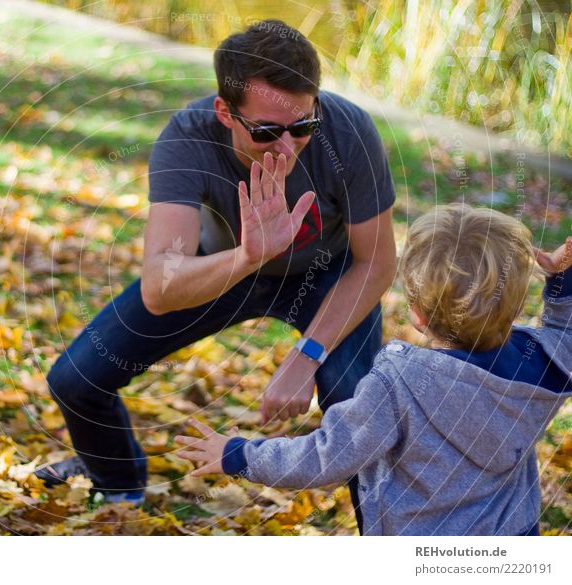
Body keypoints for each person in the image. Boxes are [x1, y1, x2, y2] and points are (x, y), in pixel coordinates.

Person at [38, 19, 397, 524]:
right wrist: (247, 256)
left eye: (303, 127)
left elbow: (376, 262)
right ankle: (119, 487)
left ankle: (391, 537)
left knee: (358, 408)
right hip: (225, 266)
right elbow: (161, 288)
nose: (288, 147)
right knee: (75, 379)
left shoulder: (349, 131)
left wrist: (306, 356)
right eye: (268, 132)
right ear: (225, 113)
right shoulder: (187, 138)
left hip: (326, 273)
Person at [175, 204, 572, 535]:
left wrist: (241, 455)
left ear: (416, 314)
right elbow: (564, 335)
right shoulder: (542, 363)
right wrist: (561, 284)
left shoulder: (400, 383)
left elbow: (328, 456)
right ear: (517, 304)